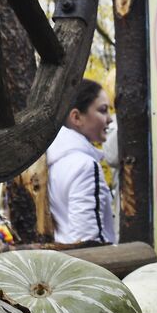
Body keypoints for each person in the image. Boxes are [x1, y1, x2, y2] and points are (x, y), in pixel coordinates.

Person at [47, 78, 115, 245]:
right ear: (76, 117)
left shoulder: (51, 163)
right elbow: (88, 239)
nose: (110, 119)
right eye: (103, 110)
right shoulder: (85, 167)